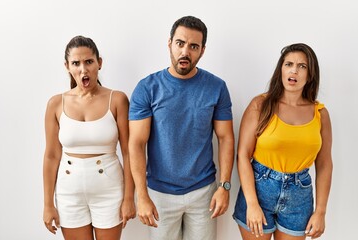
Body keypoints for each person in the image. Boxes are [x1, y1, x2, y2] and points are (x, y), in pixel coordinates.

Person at [128, 16, 234, 240]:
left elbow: (225, 138)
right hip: (159, 193)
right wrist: (142, 195)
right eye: (180, 43)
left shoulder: (217, 87)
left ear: (202, 50)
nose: (185, 52)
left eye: (193, 46)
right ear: (169, 44)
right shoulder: (147, 88)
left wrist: (224, 186)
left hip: (203, 191)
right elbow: (136, 143)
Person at [233, 43, 333, 240]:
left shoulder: (320, 113)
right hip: (259, 188)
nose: (294, 70)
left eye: (302, 66)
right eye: (289, 64)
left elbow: (324, 163)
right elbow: (243, 155)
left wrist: (320, 211)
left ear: (310, 74)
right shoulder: (260, 105)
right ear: (281, 69)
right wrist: (252, 204)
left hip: (300, 194)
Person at [43, 35, 136, 240]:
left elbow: (130, 152)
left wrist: (129, 197)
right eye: (76, 63)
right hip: (69, 191)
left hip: (109, 189)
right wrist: (48, 204)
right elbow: (51, 156)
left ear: (99, 63)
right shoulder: (56, 104)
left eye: (89, 62)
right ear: (67, 66)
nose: (83, 69)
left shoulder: (117, 99)